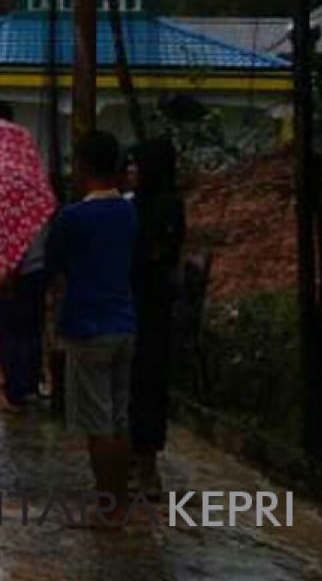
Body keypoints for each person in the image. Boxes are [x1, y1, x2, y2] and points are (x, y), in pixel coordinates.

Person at [46, 130, 138, 526]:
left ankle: (108, 507)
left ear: (81, 165)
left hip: (87, 326)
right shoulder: (130, 212)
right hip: (124, 322)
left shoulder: (73, 217)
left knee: (97, 424)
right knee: (118, 419)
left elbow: (54, 264)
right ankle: (120, 500)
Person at [128, 137, 186, 500]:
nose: (131, 171)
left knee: (147, 386)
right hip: (139, 306)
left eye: (137, 164)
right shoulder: (133, 206)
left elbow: (159, 253)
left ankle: (146, 468)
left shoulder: (165, 207)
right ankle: (137, 464)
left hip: (152, 310)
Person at [0, 225, 49, 411]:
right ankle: (30, 387)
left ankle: (17, 392)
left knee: (8, 333)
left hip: (22, 274)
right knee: (31, 332)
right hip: (38, 270)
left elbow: (18, 240)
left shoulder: (18, 207)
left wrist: (9, 272)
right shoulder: (40, 207)